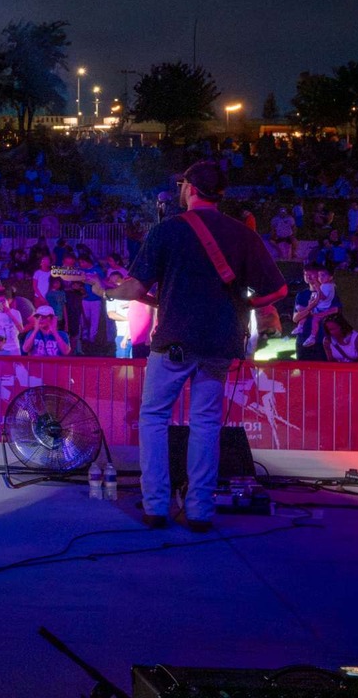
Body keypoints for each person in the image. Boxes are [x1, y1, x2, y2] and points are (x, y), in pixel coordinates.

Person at [95, 162, 285, 532]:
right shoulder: (242, 235)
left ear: (190, 189)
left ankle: (156, 507)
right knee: (206, 424)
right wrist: (245, 306)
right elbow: (277, 290)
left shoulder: (168, 231)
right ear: (221, 194)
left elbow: (133, 290)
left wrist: (105, 291)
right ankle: (199, 511)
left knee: (153, 419)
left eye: (182, 184)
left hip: (174, 343)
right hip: (218, 344)